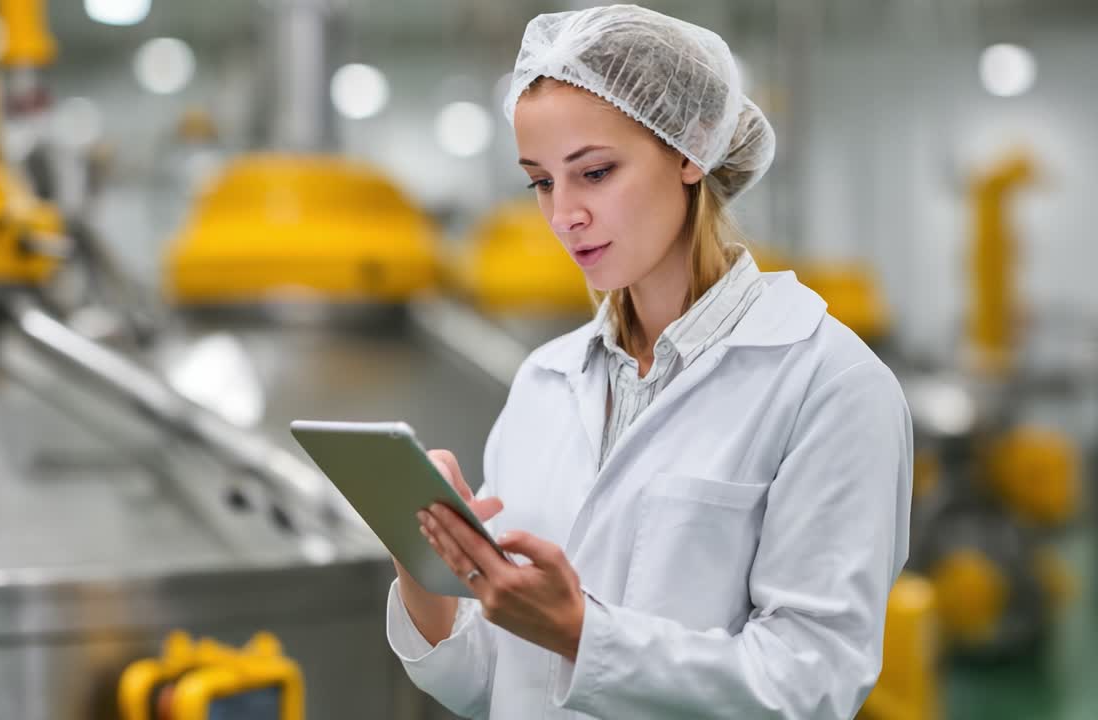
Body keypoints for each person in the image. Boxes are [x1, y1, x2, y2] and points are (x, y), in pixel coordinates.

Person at [387, 5, 913, 719]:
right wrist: (423, 566)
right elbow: (493, 686)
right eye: (541, 181)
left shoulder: (827, 384)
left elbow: (811, 684)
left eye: (594, 172)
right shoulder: (546, 381)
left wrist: (581, 633)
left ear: (692, 147)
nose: (563, 214)